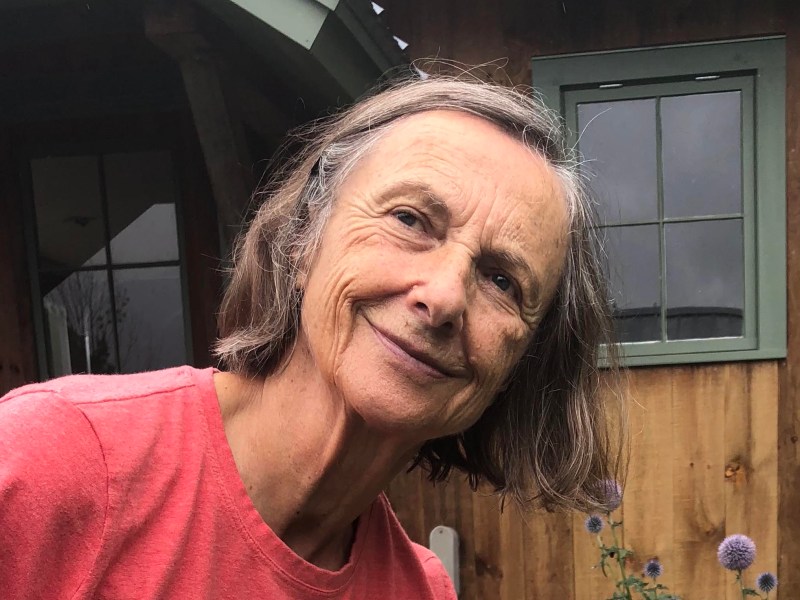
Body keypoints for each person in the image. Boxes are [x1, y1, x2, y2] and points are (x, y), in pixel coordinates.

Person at [0, 75, 623, 599]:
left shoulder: (420, 591)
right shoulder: (50, 465)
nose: (443, 297)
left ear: (522, 365)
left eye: (502, 281)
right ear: (304, 237)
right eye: (410, 219)